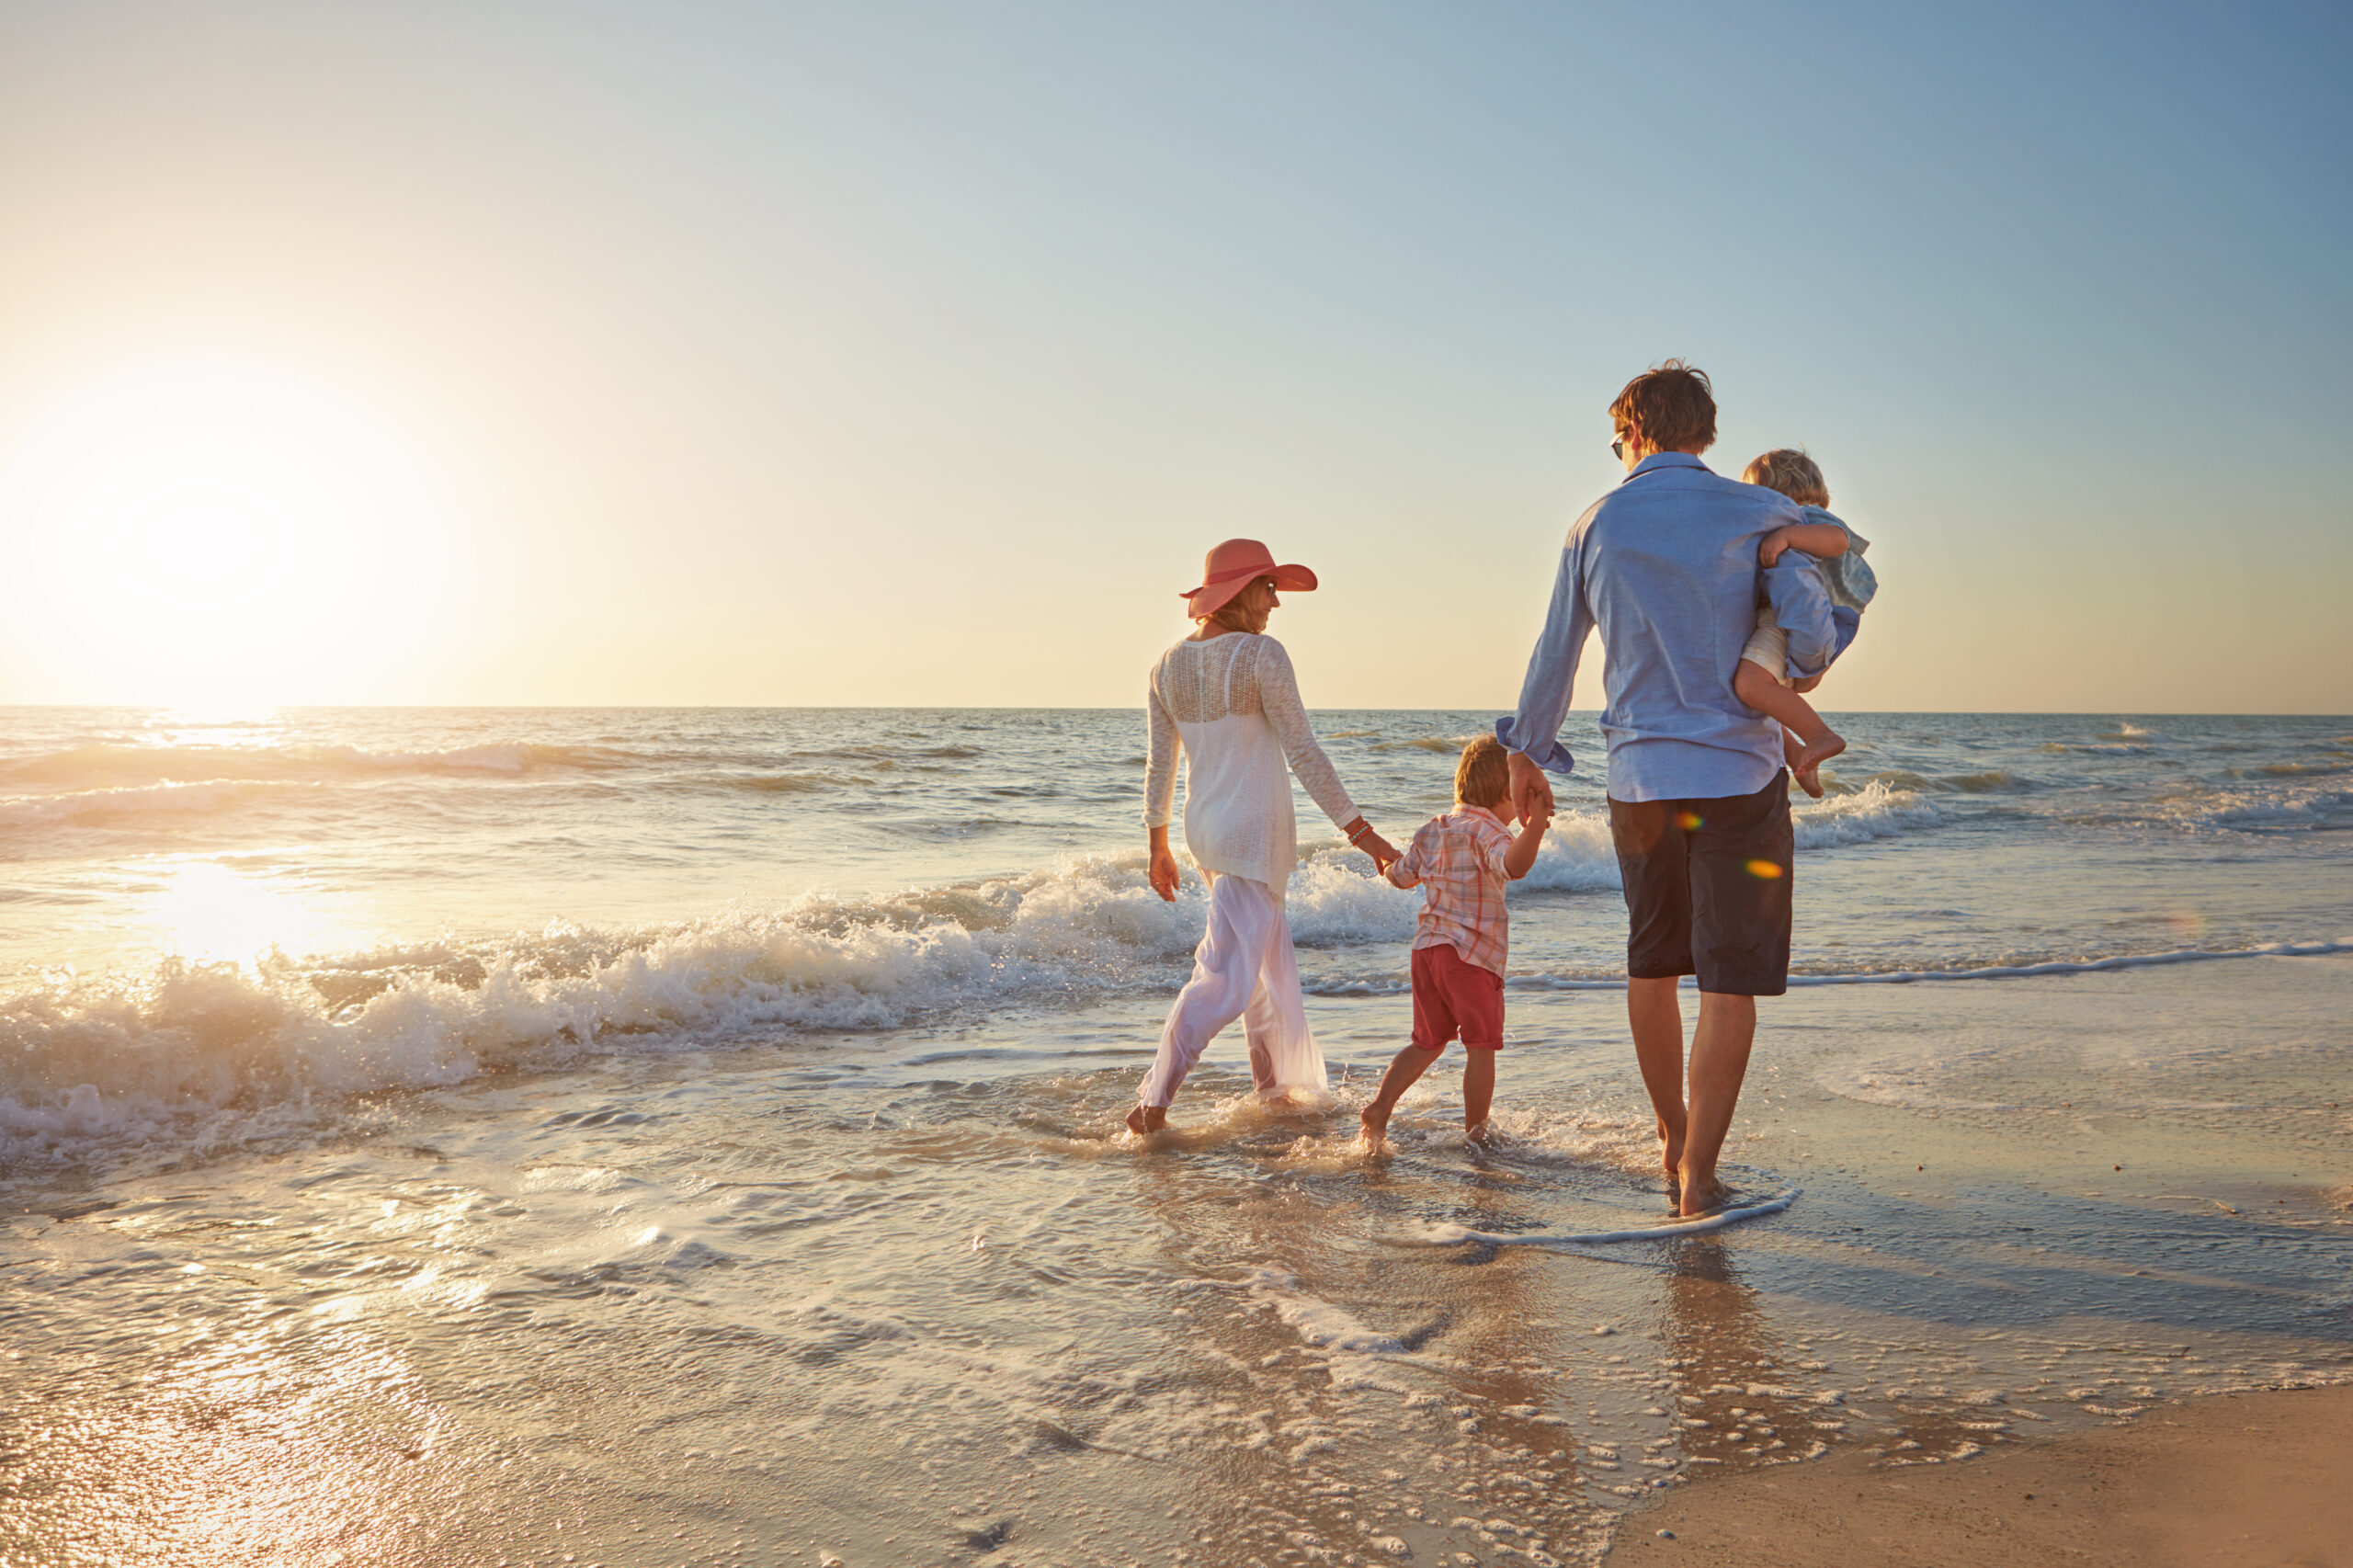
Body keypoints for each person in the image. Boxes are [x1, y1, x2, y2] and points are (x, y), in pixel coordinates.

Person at [1497, 361, 1836, 1217]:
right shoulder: (1761, 510)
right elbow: (1809, 630)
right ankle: (1699, 1179)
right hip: (1740, 777)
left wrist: (1527, 752)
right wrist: (1800, 664)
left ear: (1637, 433)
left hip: (1641, 781)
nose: (1618, 453)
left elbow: (1555, 655)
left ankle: (1670, 1134)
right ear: (1703, 433)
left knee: (1653, 966)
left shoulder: (1594, 523)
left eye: (1618, 439)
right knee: (1729, 982)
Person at [1129, 539, 1401, 1136]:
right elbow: (1303, 751)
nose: (1275, 602)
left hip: (1208, 834)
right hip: (1252, 836)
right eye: (1268, 587)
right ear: (1237, 591)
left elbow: (1160, 768)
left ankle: (1273, 1092)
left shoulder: (1164, 668)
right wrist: (1363, 834)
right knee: (1226, 979)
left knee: (1263, 976)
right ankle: (1154, 1101)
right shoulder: (1261, 656)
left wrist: (1159, 845)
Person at [1358, 736, 1550, 1150]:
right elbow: (1513, 865)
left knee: (1427, 1041)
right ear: (1507, 795)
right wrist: (1534, 827)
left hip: (1427, 952)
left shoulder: (1433, 829)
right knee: (1481, 1047)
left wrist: (1385, 861)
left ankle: (1380, 1107)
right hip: (1471, 958)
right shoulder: (1489, 833)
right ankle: (1477, 1133)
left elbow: (1400, 876)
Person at [1728, 448, 1880, 797]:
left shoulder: (1804, 517)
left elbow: (1838, 541)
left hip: (1793, 621)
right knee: (1762, 696)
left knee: (1751, 685)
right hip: (1804, 621)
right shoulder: (1792, 521)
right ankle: (1798, 758)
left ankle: (1819, 736)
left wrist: (1787, 537)